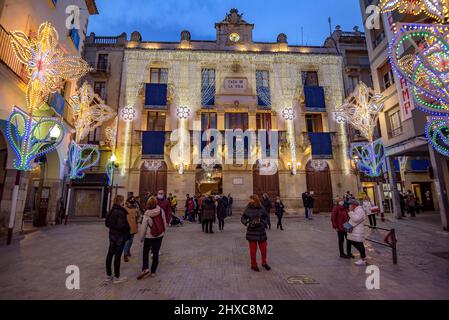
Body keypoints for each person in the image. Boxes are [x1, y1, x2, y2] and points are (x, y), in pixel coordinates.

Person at [137, 197, 167, 279]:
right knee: (155, 252)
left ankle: (145, 268)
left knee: (145, 252)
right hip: (159, 235)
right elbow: (164, 222)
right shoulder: (161, 211)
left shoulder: (146, 214)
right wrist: (163, 232)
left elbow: (143, 228)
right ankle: (153, 271)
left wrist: (141, 238)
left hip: (149, 236)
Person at [241, 195, 271, 272]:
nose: (249, 201)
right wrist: (246, 223)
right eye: (250, 199)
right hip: (252, 231)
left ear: (255, 200)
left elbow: (266, 217)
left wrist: (263, 223)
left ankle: (264, 263)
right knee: (253, 250)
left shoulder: (261, 207)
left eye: (251, 199)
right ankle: (253, 265)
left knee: (264, 249)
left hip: (261, 231)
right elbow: (243, 218)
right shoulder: (248, 208)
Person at [105, 195, 130, 284]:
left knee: (110, 254)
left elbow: (107, 223)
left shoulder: (111, 210)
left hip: (112, 235)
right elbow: (121, 225)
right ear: (120, 201)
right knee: (117, 256)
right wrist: (127, 231)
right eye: (123, 200)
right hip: (119, 237)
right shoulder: (120, 212)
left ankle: (108, 275)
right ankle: (116, 277)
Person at [347, 199, 367, 266]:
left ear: (353, 205)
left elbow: (355, 219)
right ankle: (363, 256)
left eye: (350, 205)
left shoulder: (359, 210)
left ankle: (362, 259)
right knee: (356, 243)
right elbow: (352, 220)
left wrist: (350, 213)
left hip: (357, 231)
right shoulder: (356, 210)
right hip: (355, 231)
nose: (349, 206)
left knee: (359, 244)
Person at [123, 197, 139, 262]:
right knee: (127, 241)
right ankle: (125, 254)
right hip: (126, 227)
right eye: (131, 202)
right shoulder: (124, 209)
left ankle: (128, 250)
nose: (132, 204)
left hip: (133, 226)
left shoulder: (135, 209)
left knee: (131, 240)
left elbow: (137, 217)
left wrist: (138, 215)